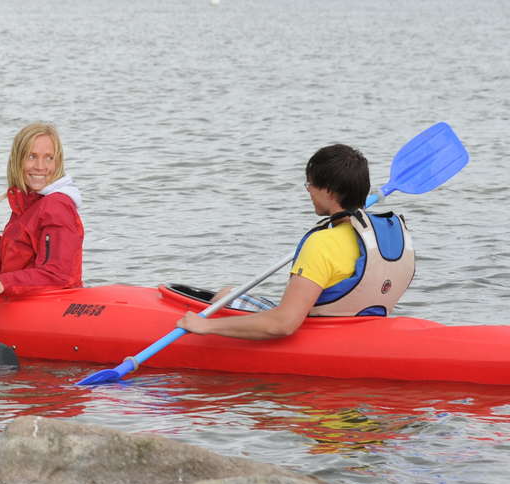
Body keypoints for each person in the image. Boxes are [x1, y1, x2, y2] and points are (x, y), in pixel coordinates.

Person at [174, 143, 415, 341]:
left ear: (329, 191)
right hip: (363, 329)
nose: (308, 190)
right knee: (230, 294)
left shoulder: (323, 243)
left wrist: (206, 327)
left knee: (223, 296)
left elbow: (284, 324)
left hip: (321, 334)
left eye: (310, 184)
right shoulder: (390, 234)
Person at [0, 122, 85, 305]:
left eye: (49, 158)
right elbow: (4, 269)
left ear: (58, 162)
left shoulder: (56, 206)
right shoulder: (27, 203)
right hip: (23, 301)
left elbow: (58, 274)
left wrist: (3, 283)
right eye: (32, 156)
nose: (40, 166)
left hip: (51, 307)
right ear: (18, 160)